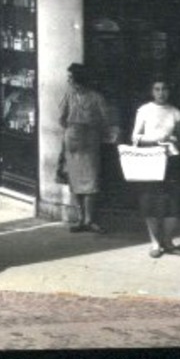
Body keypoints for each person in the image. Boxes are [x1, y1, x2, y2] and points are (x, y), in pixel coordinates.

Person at [131, 79, 180, 257]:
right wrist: (154, 140)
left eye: (164, 89)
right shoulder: (144, 110)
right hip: (150, 160)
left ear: (169, 91)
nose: (161, 92)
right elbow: (135, 137)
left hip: (171, 161)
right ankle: (155, 243)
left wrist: (172, 140)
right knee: (150, 201)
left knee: (172, 201)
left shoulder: (175, 113)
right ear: (152, 91)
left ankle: (168, 241)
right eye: (157, 89)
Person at [58, 63, 113, 233]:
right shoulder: (69, 96)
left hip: (89, 142)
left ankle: (90, 219)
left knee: (91, 181)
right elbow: (61, 118)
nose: (68, 80)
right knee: (75, 181)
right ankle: (81, 219)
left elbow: (106, 119)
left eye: (71, 77)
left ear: (78, 80)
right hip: (73, 142)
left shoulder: (96, 97)